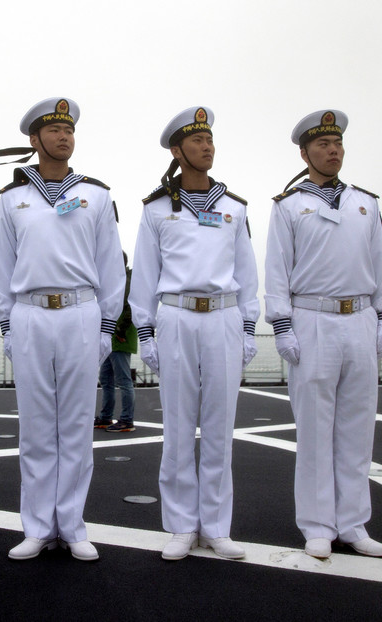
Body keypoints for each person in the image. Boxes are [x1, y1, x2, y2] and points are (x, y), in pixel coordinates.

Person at [0, 97, 125, 562]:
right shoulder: (12, 199)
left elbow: (111, 267)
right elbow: (0, 269)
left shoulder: (97, 195)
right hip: (30, 313)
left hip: (81, 313)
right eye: (54, 130)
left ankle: (74, 525)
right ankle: (38, 526)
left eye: (69, 130)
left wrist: (107, 326)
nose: (64, 137)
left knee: (78, 426)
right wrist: (6, 324)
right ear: (34, 140)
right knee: (38, 428)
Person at [264, 110, 382, 559]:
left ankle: (355, 524)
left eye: (337, 143)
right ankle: (318, 525)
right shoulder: (288, 206)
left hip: (359, 317)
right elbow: (277, 271)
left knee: (358, 430)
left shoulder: (366, 203)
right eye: (321, 145)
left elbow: (380, 264)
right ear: (304, 153)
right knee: (316, 431)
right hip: (312, 320)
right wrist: (281, 325)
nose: (332, 150)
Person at [129, 107, 259, 561]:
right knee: (179, 429)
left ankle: (217, 527)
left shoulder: (234, 208)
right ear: (176, 150)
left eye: (210, 140)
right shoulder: (156, 210)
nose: (207, 147)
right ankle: (182, 525)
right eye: (197, 141)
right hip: (177, 317)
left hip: (223, 316)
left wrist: (248, 328)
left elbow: (247, 274)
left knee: (221, 428)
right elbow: (143, 278)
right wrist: (145, 332)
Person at [96, 252, 137, 432]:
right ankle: (106, 417)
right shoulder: (119, 279)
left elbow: (130, 307)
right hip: (111, 335)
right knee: (106, 379)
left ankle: (127, 420)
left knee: (123, 380)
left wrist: (119, 330)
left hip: (120, 336)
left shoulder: (126, 280)